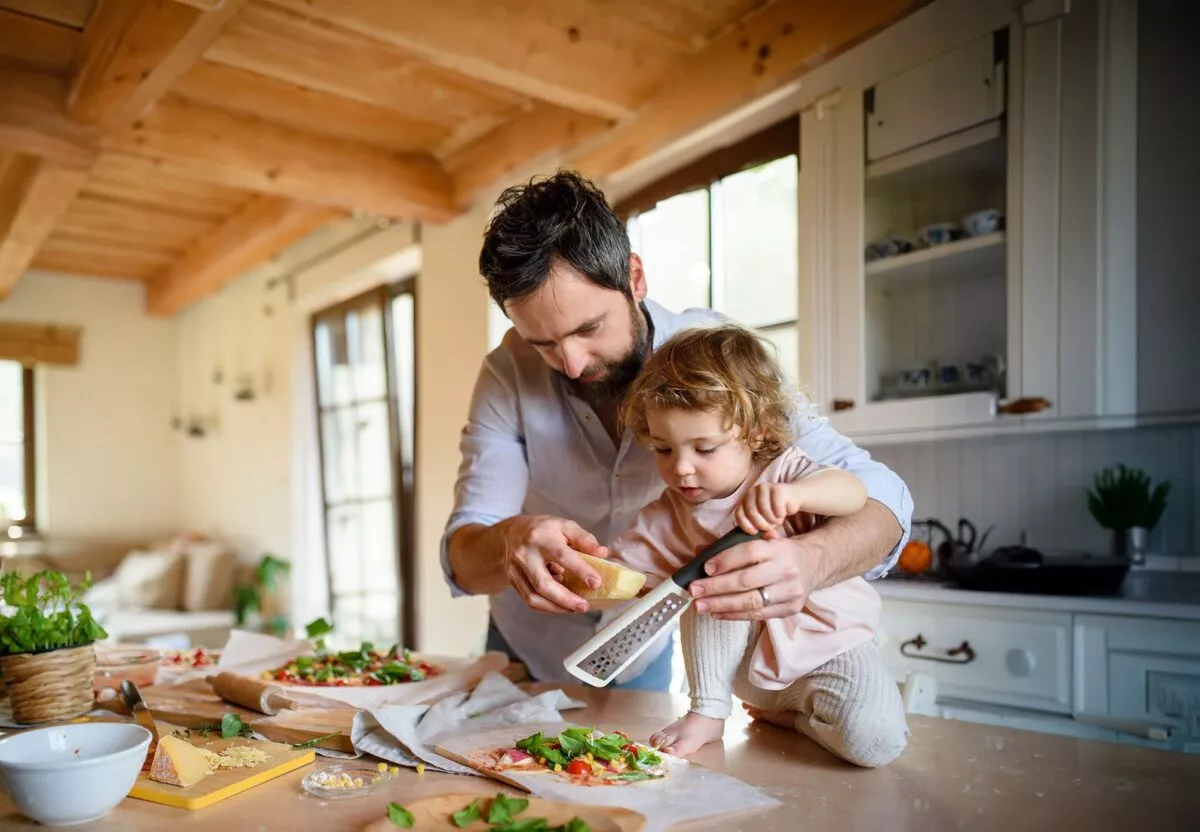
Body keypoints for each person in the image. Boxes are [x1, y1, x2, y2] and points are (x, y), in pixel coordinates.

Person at [440, 169, 913, 692]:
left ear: (635, 278)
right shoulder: (506, 375)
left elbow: (885, 500)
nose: (571, 363)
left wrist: (813, 561)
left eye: (589, 328)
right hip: (524, 644)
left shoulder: (720, 361)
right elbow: (463, 557)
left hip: (642, 655)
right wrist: (509, 539)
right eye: (543, 344)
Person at [609, 323, 908, 765]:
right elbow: (621, 573)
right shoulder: (667, 514)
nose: (682, 468)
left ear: (756, 433)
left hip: (830, 652)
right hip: (742, 673)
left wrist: (797, 496)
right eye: (664, 449)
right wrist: (578, 572)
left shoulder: (786, 473)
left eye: (704, 449)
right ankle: (708, 712)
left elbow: (854, 493)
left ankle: (796, 720)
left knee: (876, 742)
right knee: (712, 572)